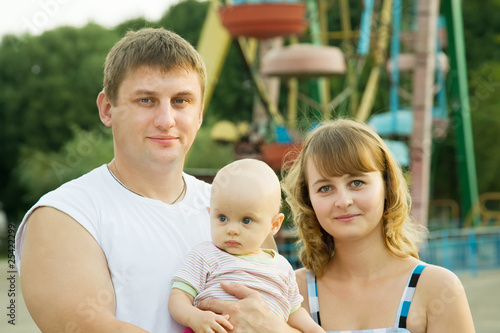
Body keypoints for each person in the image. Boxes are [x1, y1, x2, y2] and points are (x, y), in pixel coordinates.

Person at [14, 28, 296, 333]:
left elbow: (278, 314)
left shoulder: (236, 206)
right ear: (107, 108)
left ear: (200, 114)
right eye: (146, 100)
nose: (165, 120)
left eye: (181, 101)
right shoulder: (64, 215)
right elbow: (88, 327)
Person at [281, 119, 476, 332]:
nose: (343, 201)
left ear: (387, 187)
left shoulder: (437, 289)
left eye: (356, 183)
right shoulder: (290, 293)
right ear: (308, 200)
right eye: (325, 188)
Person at [168, 159, 324, 333]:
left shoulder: (282, 268)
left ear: (274, 225)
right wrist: (194, 317)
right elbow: (179, 296)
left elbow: (295, 312)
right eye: (222, 218)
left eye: (246, 220)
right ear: (209, 214)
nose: (232, 229)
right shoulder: (205, 254)